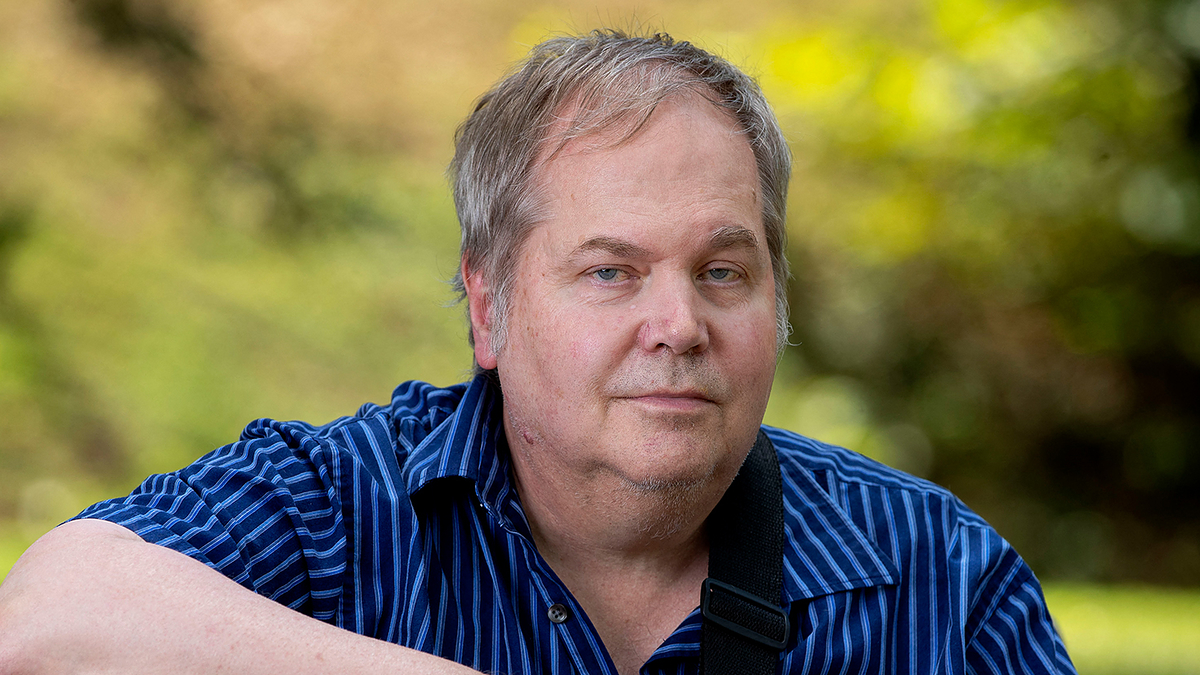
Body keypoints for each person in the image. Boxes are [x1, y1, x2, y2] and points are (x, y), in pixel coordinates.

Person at [0, 29, 1075, 675]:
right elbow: (43, 622)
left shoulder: (940, 580)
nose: (680, 323)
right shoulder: (335, 506)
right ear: (488, 306)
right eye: (611, 270)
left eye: (724, 271)